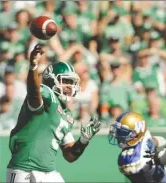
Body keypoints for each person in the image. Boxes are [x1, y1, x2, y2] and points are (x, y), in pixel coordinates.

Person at [6, 45, 102, 183]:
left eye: (72, 82)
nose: (70, 86)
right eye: (66, 81)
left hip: (48, 172)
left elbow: (69, 155)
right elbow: (34, 93)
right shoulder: (46, 95)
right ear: (51, 79)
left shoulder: (67, 114)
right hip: (24, 169)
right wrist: (33, 66)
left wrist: (83, 141)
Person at [108, 112, 166, 183]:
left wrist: (157, 154)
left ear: (136, 133)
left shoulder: (130, 157)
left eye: (123, 132)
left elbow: (161, 141)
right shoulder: (144, 140)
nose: (118, 136)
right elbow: (160, 140)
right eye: (118, 131)